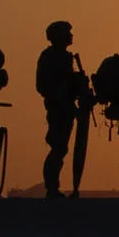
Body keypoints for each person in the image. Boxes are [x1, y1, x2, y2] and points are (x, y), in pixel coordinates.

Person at [36, 21, 85, 199]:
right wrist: (64, 101)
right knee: (58, 147)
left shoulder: (64, 57)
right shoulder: (50, 56)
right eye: (67, 32)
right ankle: (52, 188)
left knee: (60, 148)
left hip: (66, 107)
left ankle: (53, 187)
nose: (71, 35)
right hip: (59, 108)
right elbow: (44, 86)